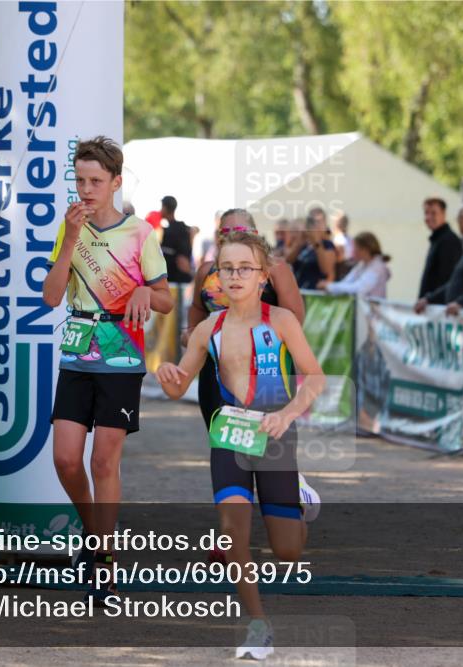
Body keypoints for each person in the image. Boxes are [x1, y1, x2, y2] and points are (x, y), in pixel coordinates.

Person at [156, 230, 324, 660]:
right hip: (229, 438)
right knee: (233, 533)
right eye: (225, 269)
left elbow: (316, 377)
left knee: (287, 551)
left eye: (244, 268)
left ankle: (299, 500)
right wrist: (170, 378)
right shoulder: (208, 328)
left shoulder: (281, 321)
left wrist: (286, 414)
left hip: (275, 438)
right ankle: (257, 623)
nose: (234, 276)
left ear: (263, 276)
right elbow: (181, 386)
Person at [41, 136, 173, 604]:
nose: (87, 189)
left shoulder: (140, 233)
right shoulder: (70, 228)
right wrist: (70, 240)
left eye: (96, 181)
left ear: (116, 182)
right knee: (64, 459)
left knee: (103, 461)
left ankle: (103, 559)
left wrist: (144, 294)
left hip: (121, 353)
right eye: (80, 180)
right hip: (77, 350)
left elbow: (166, 299)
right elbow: (52, 297)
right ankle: (94, 530)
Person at [185, 209, 305, 428]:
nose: (232, 235)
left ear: (256, 234)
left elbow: (295, 319)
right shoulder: (207, 271)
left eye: (239, 230)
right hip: (216, 371)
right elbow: (196, 310)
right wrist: (192, 334)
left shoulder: (274, 268)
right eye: (225, 230)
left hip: (265, 368)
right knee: (223, 444)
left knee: (268, 447)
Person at [414, 197, 462, 314]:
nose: (429, 217)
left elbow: (448, 279)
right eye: (426, 213)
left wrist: (430, 299)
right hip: (432, 307)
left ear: (443, 214)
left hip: (440, 310)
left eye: (434, 213)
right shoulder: (438, 240)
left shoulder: (448, 241)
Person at [318, 231, 391, 298]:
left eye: (356, 248)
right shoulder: (362, 264)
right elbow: (347, 282)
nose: (353, 251)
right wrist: (329, 286)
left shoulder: (377, 267)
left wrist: (330, 287)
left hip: (373, 311)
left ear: (365, 250)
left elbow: (359, 289)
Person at [287, 213, 336, 289]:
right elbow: (288, 260)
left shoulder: (327, 245)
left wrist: (316, 242)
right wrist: (300, 241)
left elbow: (326, 270)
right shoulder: (303, 244)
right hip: (298, 289)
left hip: (313, 293)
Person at [158, 195, 194, 283]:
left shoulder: (174, 231)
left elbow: (182, 260)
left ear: (165, 208)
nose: (160, 210)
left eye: (162, 207)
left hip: (176, 282)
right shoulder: (182, 229)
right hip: (175, 281)